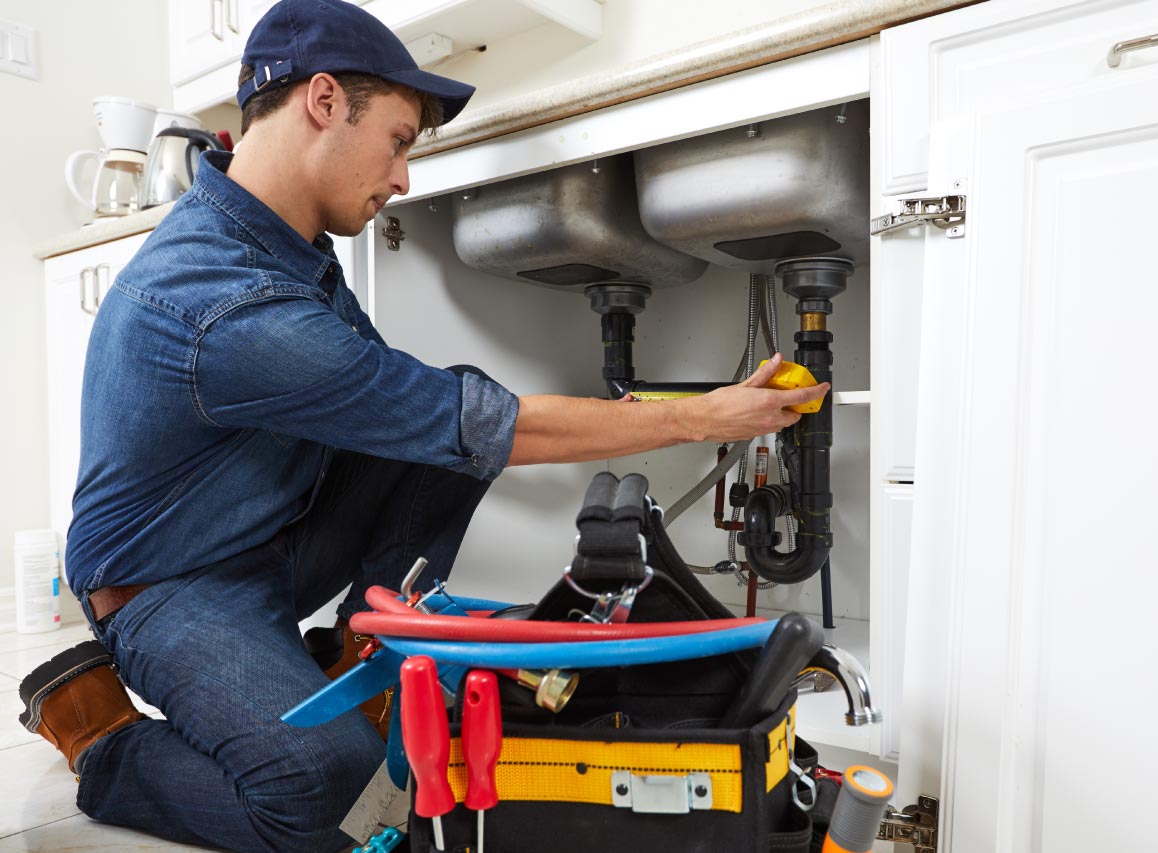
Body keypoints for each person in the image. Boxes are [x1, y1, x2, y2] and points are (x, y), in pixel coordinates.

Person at [16, 1, 828, 850]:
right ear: (323, 102)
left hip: (270, 539)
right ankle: (100, 736)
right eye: (400, 140)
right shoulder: (224, 302)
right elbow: (471, 423)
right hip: (172, 589)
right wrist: (702, 417)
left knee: (451, 418)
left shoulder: (287, 245)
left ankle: (358, 654)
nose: (403, 177)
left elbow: (430, 416)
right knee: (331, 796)